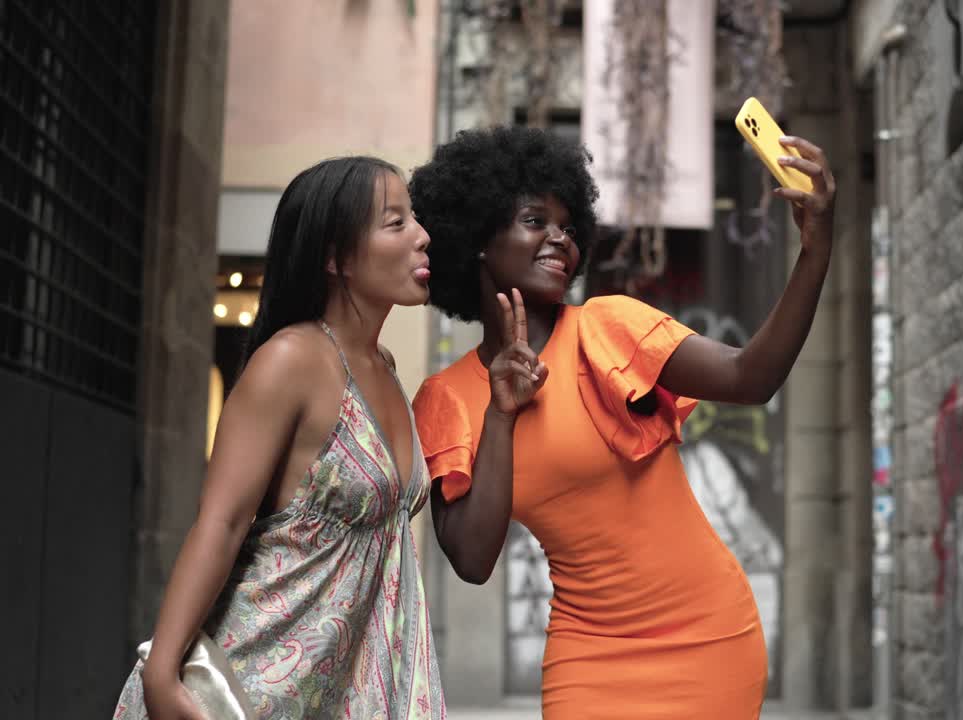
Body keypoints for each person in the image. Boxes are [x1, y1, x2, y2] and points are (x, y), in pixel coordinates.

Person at [409, 125, 836, 718]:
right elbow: (474, 561)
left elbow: (750, 379)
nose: (560, 238)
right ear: (478, 239)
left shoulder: (607, 328)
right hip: (589, 657)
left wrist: (815, 250)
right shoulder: (446, 398)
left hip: (707, 638)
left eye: (567, 226)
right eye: (536, 221)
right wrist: (501, 414)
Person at [113, 156, 543, 719]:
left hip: (354, 692)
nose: (423, 236)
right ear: (335, 257)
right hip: (257, 688)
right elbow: (221, 521)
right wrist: (163, 673)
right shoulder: (291, 360)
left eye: (414, 219)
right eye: (396, 223)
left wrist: (500, 414)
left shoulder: (384, 367)